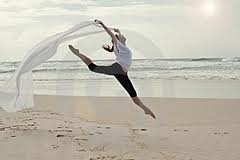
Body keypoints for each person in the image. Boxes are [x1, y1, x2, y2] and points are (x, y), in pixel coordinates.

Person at [68, 20, 156, 119]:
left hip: (122, 73)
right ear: (117, 40)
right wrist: (102, 24)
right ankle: (78, 53)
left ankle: (145, 110)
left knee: (133, 94)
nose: (123, 36)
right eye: (120, 36)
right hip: (117, 68)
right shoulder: (118, 44)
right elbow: (111, 34)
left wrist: (118, 32)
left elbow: (121, 37)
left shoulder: (121, 46)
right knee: (93, 68)